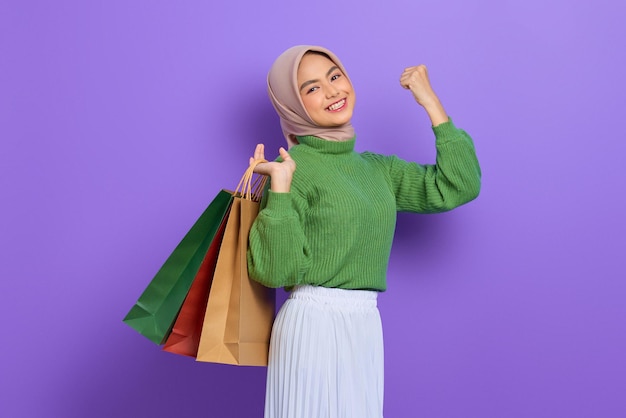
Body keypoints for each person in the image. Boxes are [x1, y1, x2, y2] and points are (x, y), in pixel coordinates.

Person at [246, 45, 481, 418]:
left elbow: (458, 185)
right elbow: (276, 273)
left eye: (334, 76)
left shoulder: (377, 169)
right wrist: (280, 189)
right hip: (313, 326)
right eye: (312, 88)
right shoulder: (290, 168)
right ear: (292, 105)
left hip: (365, 324)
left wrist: (431, 104)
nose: (332, 91)